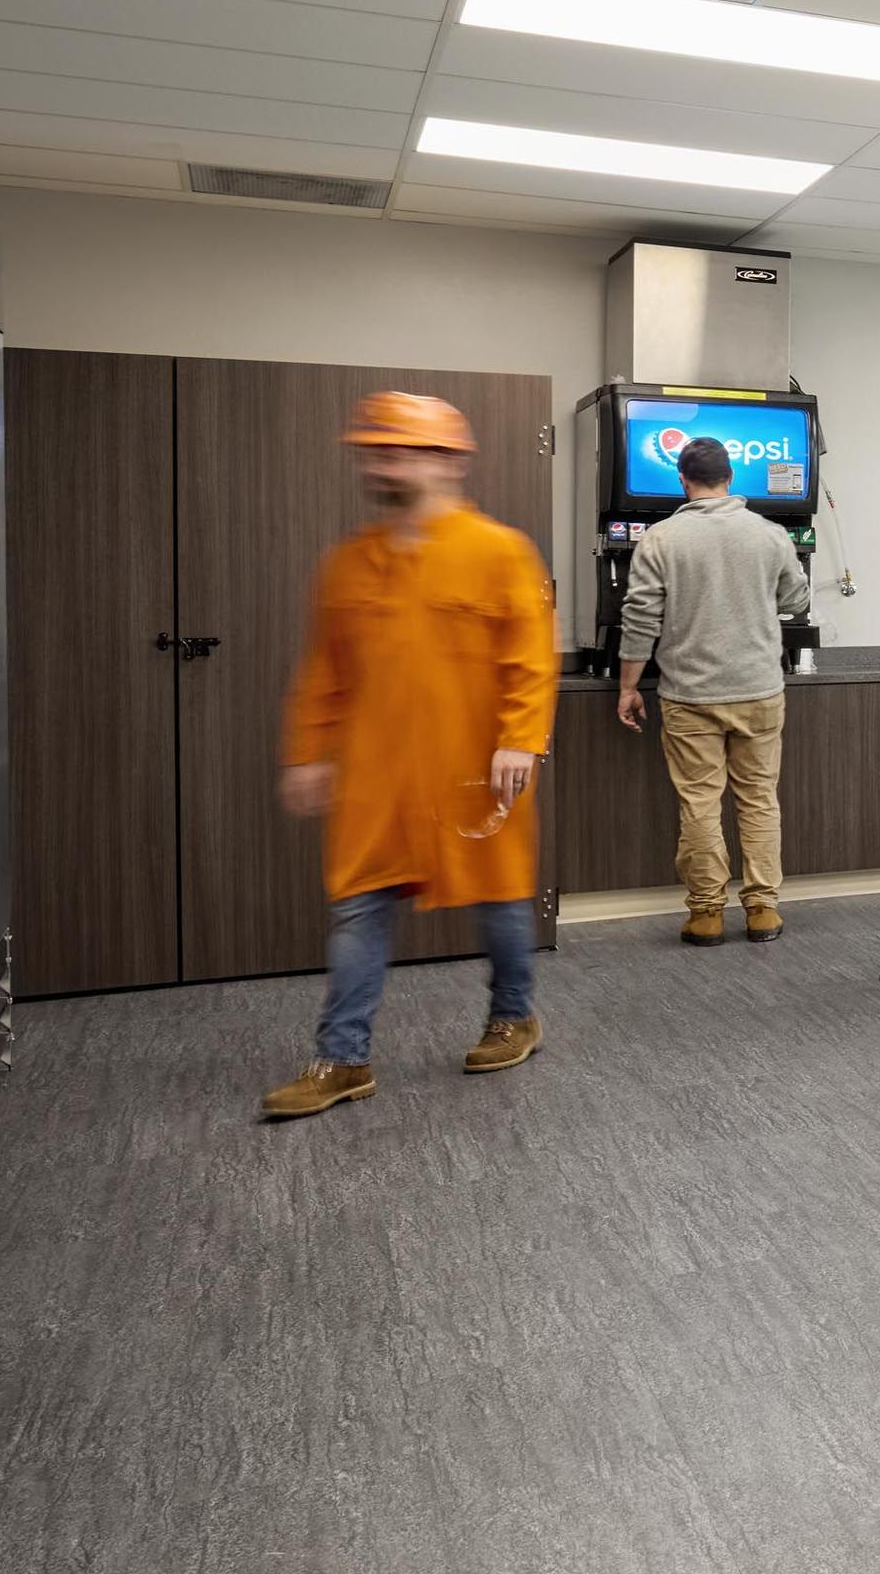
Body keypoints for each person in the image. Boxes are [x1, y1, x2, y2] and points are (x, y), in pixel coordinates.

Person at [259, 392, 556, 1121]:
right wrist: (306, 754)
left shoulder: (498, 550)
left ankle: (514, 1017)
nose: (377, 461)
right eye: (372, 449)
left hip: (470, 770)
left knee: (501, 904)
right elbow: (324, 670)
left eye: (393, 448)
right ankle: (342, 1058)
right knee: (359, 909)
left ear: (444, 460)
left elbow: (530, 658)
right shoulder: (349, 564)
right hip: (376, 777)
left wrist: (520, 738)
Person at [614, 433, 813, 945]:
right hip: (759, 691)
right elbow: (796, 600)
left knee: (700, 803)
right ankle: (763, 909)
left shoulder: (660, 539)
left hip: (689, 696)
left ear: (683, 480)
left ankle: (706, 914)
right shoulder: (770, 535)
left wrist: (628, 687)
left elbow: (640, 620)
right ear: (731, 478)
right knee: (759, 800)